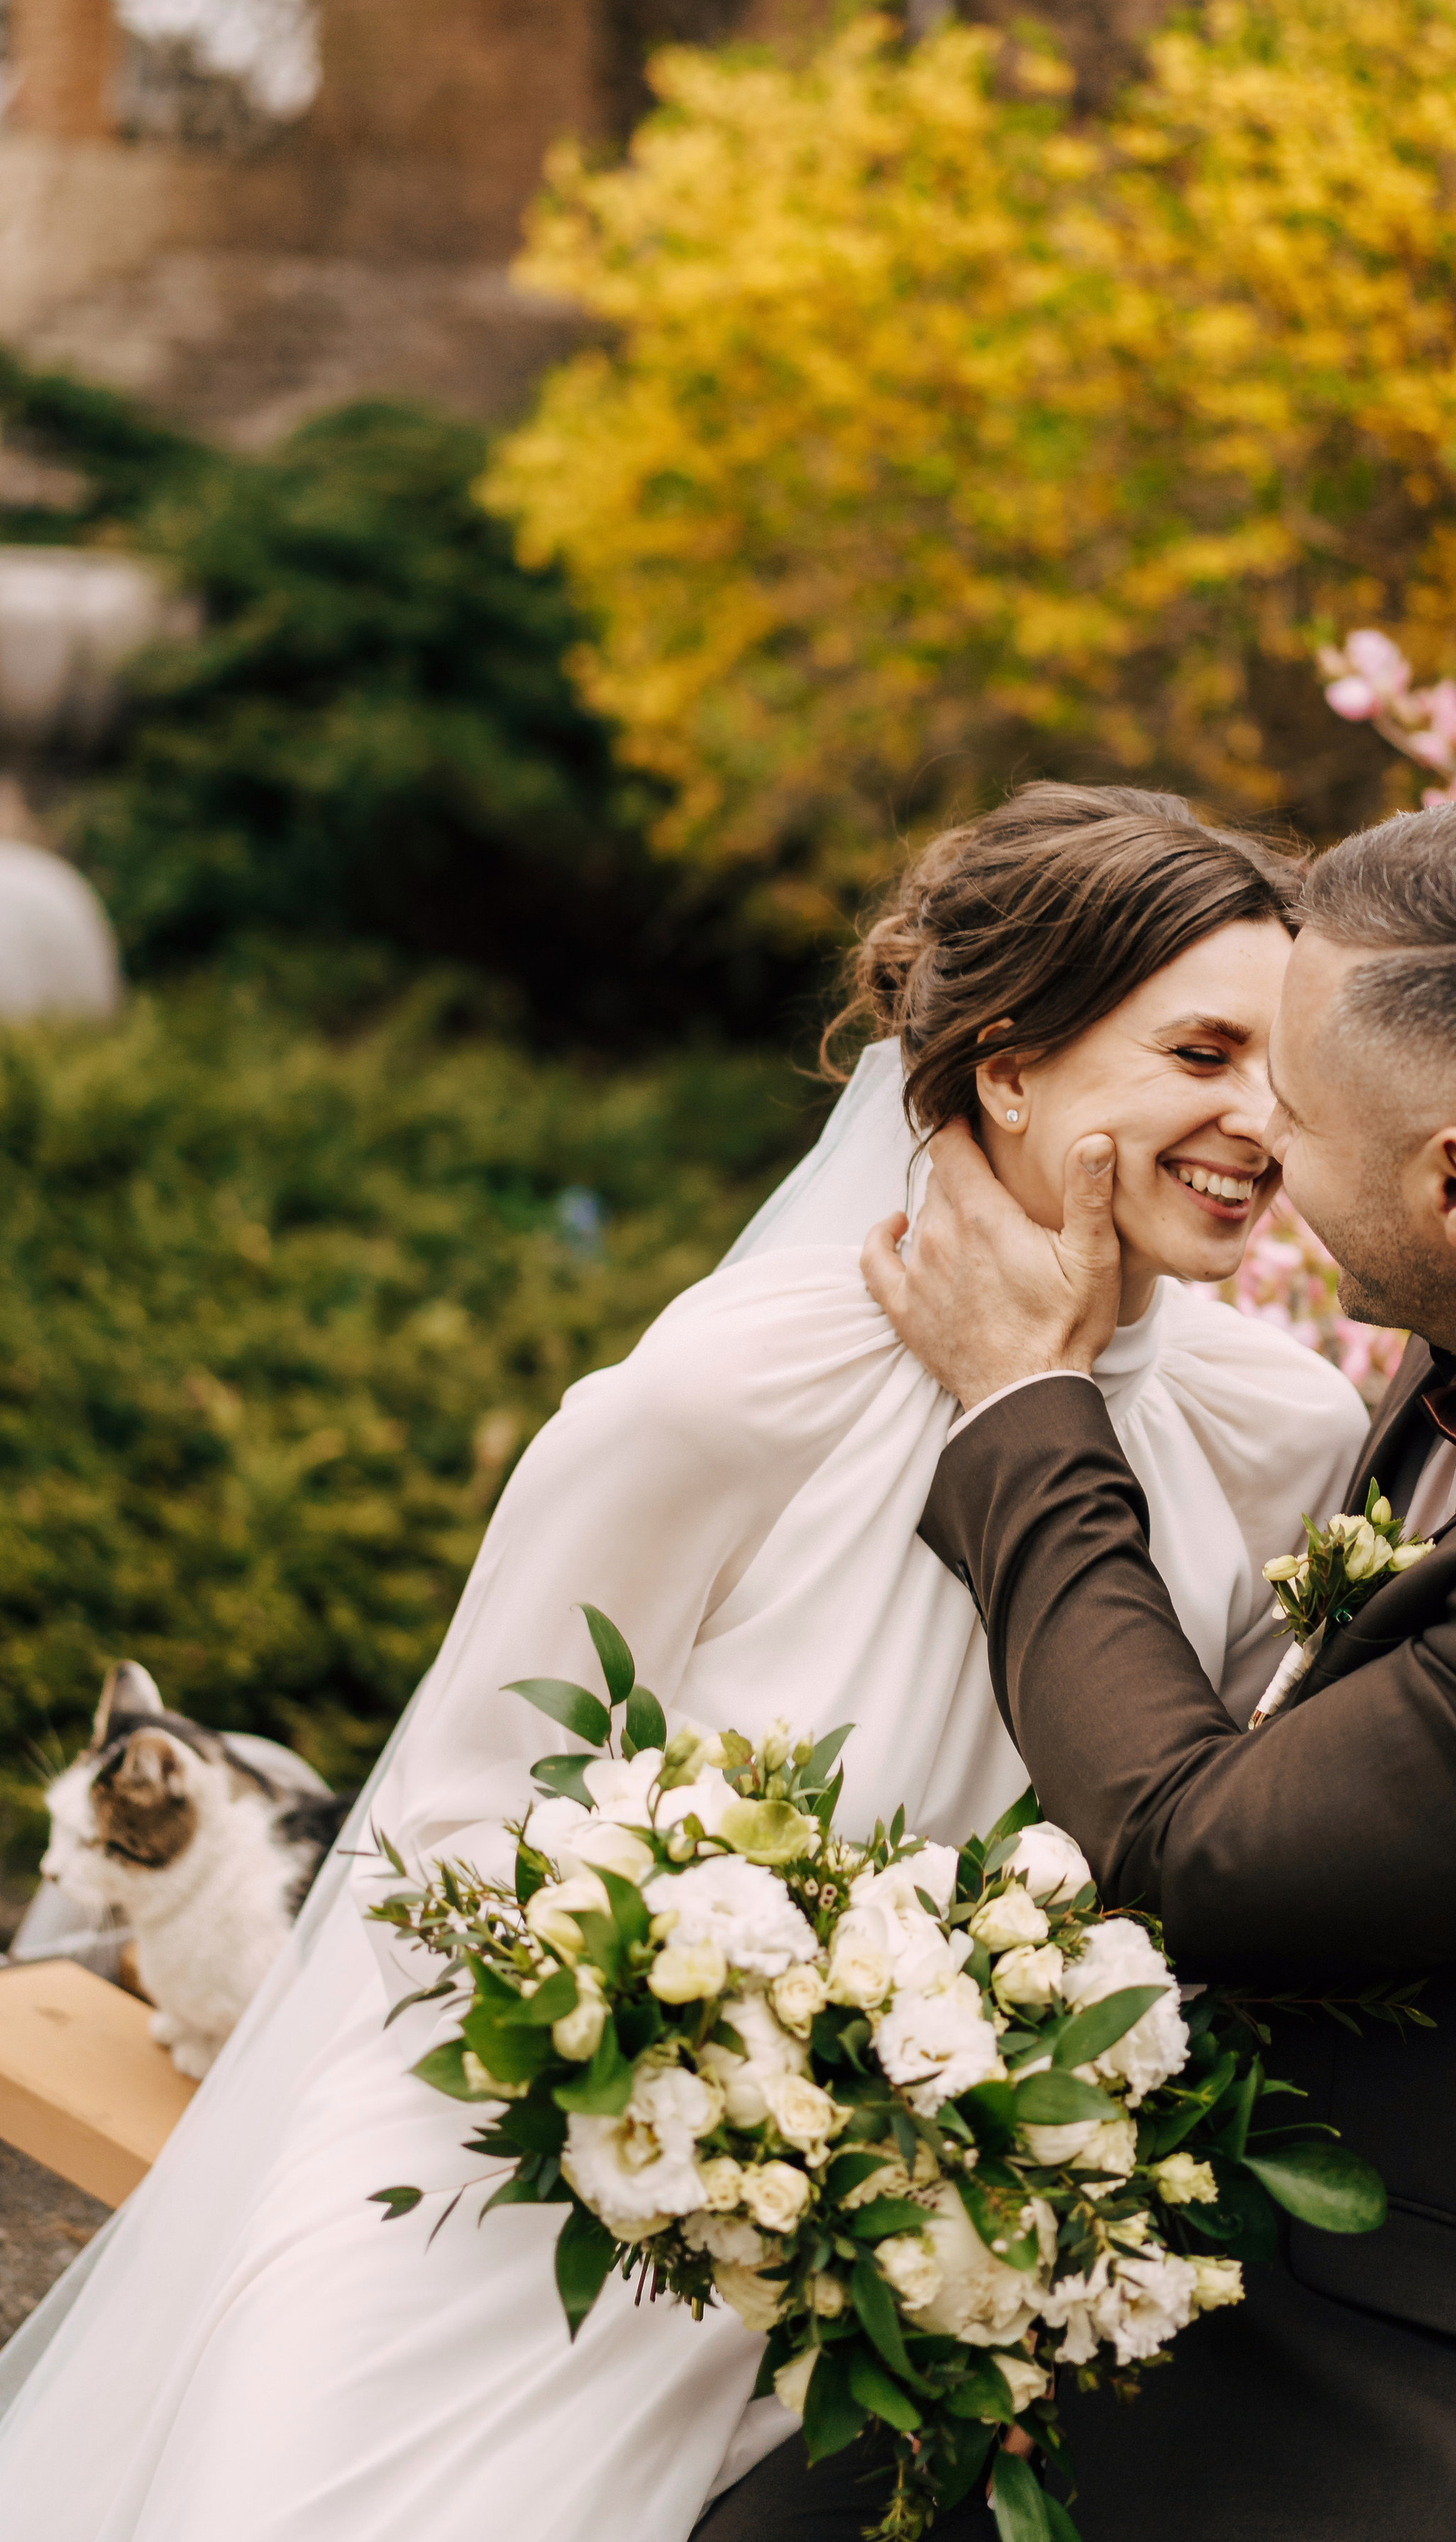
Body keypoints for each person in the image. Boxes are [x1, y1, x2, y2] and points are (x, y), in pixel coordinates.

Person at [0, 783, 1368, 2542]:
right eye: (1198, 1051)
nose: (1259, 1122)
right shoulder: (724, 1396)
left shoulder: (1286, 1435)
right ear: (1007, 1066)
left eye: (1290, 1068)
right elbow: (455, 1825)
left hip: (922, 2304)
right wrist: (704, 2100)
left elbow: (1208, 1857)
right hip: (515, 2237)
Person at [711, 793, 1456, 2541]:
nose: (1255, 1144)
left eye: (1290, 1109)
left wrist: (1022, 1401)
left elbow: (1193, 1856)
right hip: (1268, 2250)